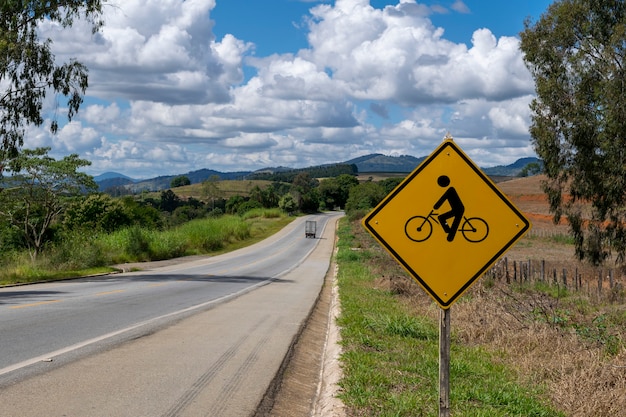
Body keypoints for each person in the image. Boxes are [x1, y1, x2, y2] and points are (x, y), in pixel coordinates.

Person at [433, 175, 464, 242]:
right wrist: (436, 206)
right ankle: (449, 232)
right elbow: (443, 199)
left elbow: (443, 199)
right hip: (457, 209)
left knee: (442, 218)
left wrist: (436, 206)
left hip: (458, 209)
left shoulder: (450, 190)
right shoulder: (450, 189)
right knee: (445, 219)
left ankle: (448, 231)